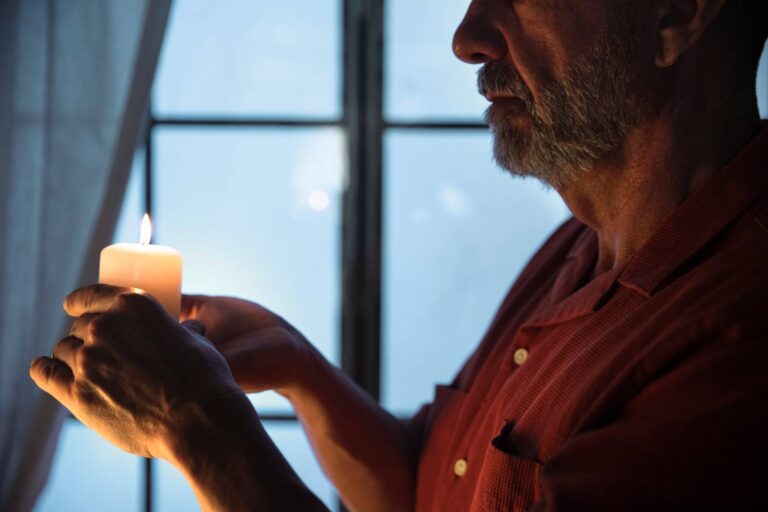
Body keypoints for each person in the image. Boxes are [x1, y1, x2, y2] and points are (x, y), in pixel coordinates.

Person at [30, 0, 768, 510]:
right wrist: (293, 364)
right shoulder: (582, 244)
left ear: (675, 12)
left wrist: (195, 423)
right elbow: (434, 491)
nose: (467, 37)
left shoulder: (736, 339)